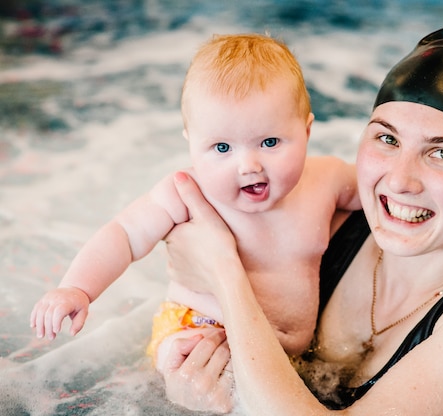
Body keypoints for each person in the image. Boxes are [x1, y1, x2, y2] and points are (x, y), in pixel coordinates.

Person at [159, 24, 443, 415]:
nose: (400, 181)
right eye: (387, 139)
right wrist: (186, 382)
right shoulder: (323, 230)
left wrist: (224, 272)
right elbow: (187, 331)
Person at [29, 33, 360, 373]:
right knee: (193, 373)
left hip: (285, 355)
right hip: (200, 329)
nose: (249, 166)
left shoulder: (326, 179)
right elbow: (124, 235)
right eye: (221, 148)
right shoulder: (188, 191)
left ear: (306, 131)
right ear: (191, 144)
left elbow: (381, 192)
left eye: (270, 141)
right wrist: (77, 288)